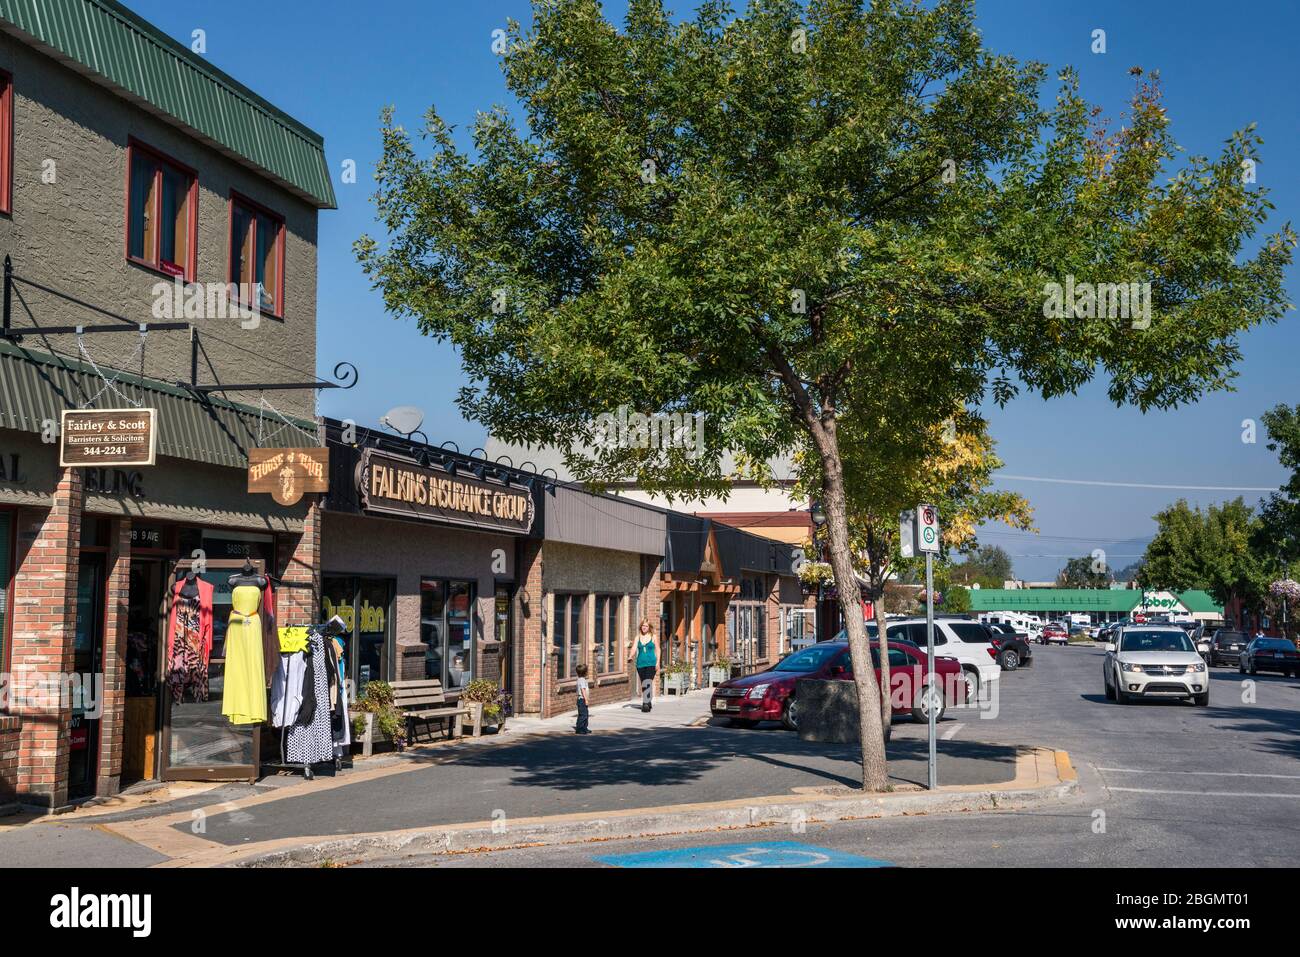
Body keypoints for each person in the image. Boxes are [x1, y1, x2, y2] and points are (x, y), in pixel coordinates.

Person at [629, 618, 658, 713]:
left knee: (648, 681)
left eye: (646, 626)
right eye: (643, 626)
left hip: (651, 663)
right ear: (641, 627)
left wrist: (658, 662)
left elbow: (658, 650)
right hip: (640, 664)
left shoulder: (654, 636)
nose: (644, 627)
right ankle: (648, 701)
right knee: (643, 683)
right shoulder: (638, 637)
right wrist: (631, 656)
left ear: (649, 627)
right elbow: (633, 648)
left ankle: (645, 703)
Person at [575, 664, 591, 734]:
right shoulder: (582, 680)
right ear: (585, 672)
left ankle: (584, 728)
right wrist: (586, 699)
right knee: (583, 715)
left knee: (585, 714)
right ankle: (579, 729)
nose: (588, 672)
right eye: (587, 671)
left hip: (582, 699)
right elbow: (583, 690)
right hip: (582, 699)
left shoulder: (581, 679)